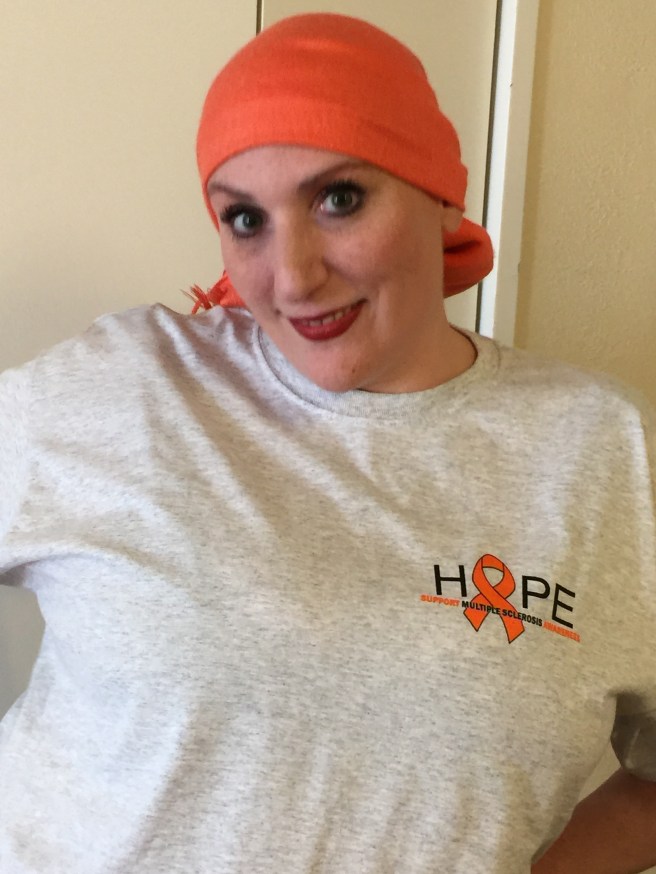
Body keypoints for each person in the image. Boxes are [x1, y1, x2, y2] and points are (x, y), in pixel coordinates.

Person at [0, 12, 655, 874]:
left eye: (339, 199)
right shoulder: (125, 387)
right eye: (245, 218)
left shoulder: (605, 450)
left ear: (440, 195)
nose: (293, 275)